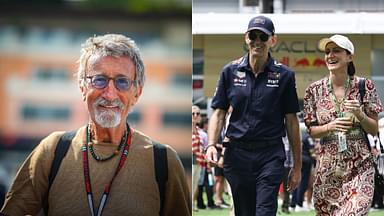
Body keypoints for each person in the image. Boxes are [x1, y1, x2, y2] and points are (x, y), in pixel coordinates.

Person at [0, 34, 191, 216]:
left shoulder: (164, 161)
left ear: (137, 93)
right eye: (99, 80)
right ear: (83, 88)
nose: (109, 94)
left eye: (122, 82)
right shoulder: (52, 150)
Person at [205, 15, 302, 216]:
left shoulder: (284, 75)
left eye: (263, 37)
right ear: (246, 38)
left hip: (270, 155)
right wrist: (211, 145)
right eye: (253, 36)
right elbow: (219, 112)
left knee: (265, 211)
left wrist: (297, 166)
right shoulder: (229, 72)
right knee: (244, 212)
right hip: (237, 155)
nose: (258, 41)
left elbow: (292, 122)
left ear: (272, 40)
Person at [303, 34, 383, 215]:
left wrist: (360, 114)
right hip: (327, 168)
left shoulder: (365, 86)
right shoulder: (314, 90)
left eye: (336, 51)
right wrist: (330, 126)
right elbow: (312, 130)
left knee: (354, 212)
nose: (330, 55)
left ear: (349, 56)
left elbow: (373, 130)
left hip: (360, 166)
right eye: (327, 51)